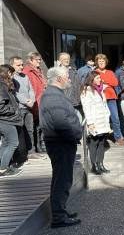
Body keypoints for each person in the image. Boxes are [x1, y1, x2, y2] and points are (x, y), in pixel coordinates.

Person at [39, 66, 82, 228]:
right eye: (67, 77)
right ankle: (58, 217)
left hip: (60, 142)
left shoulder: (54, 94)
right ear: (58, 79)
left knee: (61, 179)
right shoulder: (53, 96)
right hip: (61, 143)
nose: (69, 79)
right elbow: (61, 123)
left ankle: (60, 211)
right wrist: (77, 133)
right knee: (62, 181)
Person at [80, 71, 112, 175]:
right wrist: (90, 123)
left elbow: (104, 105)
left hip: (102, 120)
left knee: (102, 142)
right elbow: (86, 108)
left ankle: (101, 164)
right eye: (97, 78)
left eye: (100, 78)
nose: (100, 80)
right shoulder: (86, 91)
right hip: (94, 120)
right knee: (94, 143)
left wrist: (107, 117)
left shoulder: (100, 90)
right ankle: (94, 165)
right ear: (91, 79)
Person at [10, 56, 37, 167]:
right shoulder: (11, 78)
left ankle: (31, 152)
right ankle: (22, 155)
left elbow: (31, 89)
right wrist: (26, 101)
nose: (21, 67)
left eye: (22, 64)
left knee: (30, 130)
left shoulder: (25, 76)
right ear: (12, 65)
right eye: (18, 65)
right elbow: (15, 93)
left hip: (28, 107)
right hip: (19, 108)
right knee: (20, 132)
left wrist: (32, 100)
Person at [95, 54, 124, 146]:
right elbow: (94, 83)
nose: (101, 63)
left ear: (106, 62)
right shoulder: (94, 72)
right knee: (102, 118)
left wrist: (103, 82)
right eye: (99, 61)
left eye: (103, 61)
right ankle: (102, 138)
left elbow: (115, 83)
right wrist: (104, 83)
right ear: (97, 62)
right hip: (99, 98)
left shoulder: (110, 72)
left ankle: (118, 137)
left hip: (111, 97)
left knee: (115, 118)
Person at [0, 65, 23, 177]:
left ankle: (2, 167)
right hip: (6, 120)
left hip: (6, 119)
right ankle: (3, 168)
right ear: (7, 73)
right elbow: (0, 106)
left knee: (5, 143)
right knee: (13, 143)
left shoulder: (4, 84)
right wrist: (13, 110)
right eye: (12, 73)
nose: (13, 76)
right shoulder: (1, 85)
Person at [23, 52, 47, 153]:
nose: (39, 61)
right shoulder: (27, 71)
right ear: (30, 60)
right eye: (37, 60)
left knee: (40, 125)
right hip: (34, 101)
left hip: (41, 100)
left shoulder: (39, 71)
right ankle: (35, 147)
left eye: (40, 59)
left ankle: (40, 145)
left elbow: (43, 83)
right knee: (34, 126)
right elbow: (28, 87)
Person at [57, 53, 82, 121]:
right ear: (60, 60)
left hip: (75, 102)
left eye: (68, 59)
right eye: (64, 59)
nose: (67, 60)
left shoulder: (74, 71)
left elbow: (79, 85)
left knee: (79, 120)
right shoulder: (56, 72)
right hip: (64, 103)